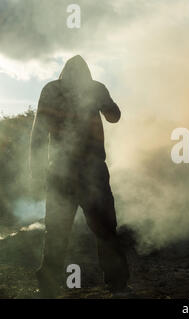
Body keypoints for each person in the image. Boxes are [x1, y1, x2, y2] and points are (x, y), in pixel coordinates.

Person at [29, 55, 129, 297]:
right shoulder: (94, 87)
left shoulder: (53, 88)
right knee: (104, 229)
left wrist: (36, 172)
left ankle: (49, 285)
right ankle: (117, 284)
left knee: (57, 231)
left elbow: (39, 133)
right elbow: (114, 116)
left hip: (63, 171)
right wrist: (103, 102)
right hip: (89, 170)